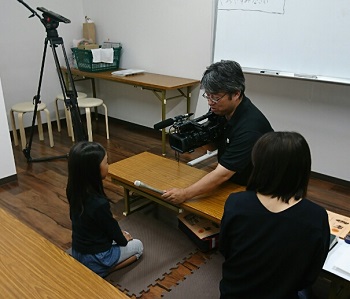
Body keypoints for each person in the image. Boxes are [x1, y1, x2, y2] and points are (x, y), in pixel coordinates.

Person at [219, 131, 330, 299]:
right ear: (304, 168)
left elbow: (225, 249)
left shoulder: (236, 203)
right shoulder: (316, 216)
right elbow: (310, 276)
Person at [162, 60, 273, 204]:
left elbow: (222, 174)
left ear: (236, 94)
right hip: (235, 174)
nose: (210, 102)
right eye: (207, 95)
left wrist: (185, 194)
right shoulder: (221, 110)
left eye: (215, 97)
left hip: (256, 186)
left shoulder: (250, 127)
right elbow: (214, 145)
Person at [66, 141, 143, 277]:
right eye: (106, 163)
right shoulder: (99, 203)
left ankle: (95, 266)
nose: (108, 165)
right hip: (97, 257)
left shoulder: (72, 189)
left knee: (116, 232)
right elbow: (112, 230)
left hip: (77, 251)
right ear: (93, 170)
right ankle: (103, 270)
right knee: (138, 246)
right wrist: (123, 239)